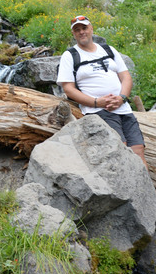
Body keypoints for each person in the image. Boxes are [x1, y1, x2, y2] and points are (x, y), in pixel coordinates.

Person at [57, 14, 148, 169]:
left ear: (91, 29)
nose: (81, 32)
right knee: (120, 148)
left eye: (84, 28)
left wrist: (122, 98)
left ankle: (147, 192)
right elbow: (68, 88)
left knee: (138, 150)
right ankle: (126, 192)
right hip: (99, 111)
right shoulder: (70, 55)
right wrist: (96, 102)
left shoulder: (108, 50)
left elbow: (126, 77)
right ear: (73, 34)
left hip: (123, 109)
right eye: (77, 30)